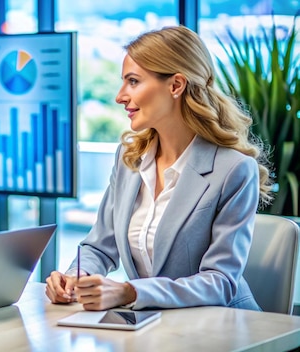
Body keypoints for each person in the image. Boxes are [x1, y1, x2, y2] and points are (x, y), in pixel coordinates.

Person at [45, 25, 272, 311]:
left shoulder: (234, 170)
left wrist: (131, 293)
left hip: (222, 328)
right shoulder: (129, 160)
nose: (120, 96)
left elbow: (220, 281)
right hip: (153, 327)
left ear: (176, 85)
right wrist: (75, 278)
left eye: (133, 81)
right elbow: (99, 247)